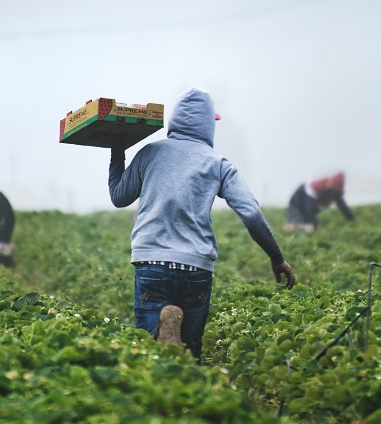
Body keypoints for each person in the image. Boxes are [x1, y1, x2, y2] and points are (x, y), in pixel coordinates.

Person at [107, 87, 296, 362]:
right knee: (191, 354)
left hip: (152, 260)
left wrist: (117, 151)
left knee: (149, 355)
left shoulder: (150, 153)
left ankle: (164, 331)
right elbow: (251, 213)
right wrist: (276, 257)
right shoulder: (218, 164)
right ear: (209, 124)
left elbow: (119, 197)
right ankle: (183, 368)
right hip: (196, 265)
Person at [286, 171, 354, 233]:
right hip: (297, 204)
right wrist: (316, 227)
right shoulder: (315, 188)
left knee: (308, 225)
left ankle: (300, 225)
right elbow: (310, 211)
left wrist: (351, 221)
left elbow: (343, 206)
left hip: (312, 206)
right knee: (302, 227)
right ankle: (290, 226)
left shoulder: (336, 191)